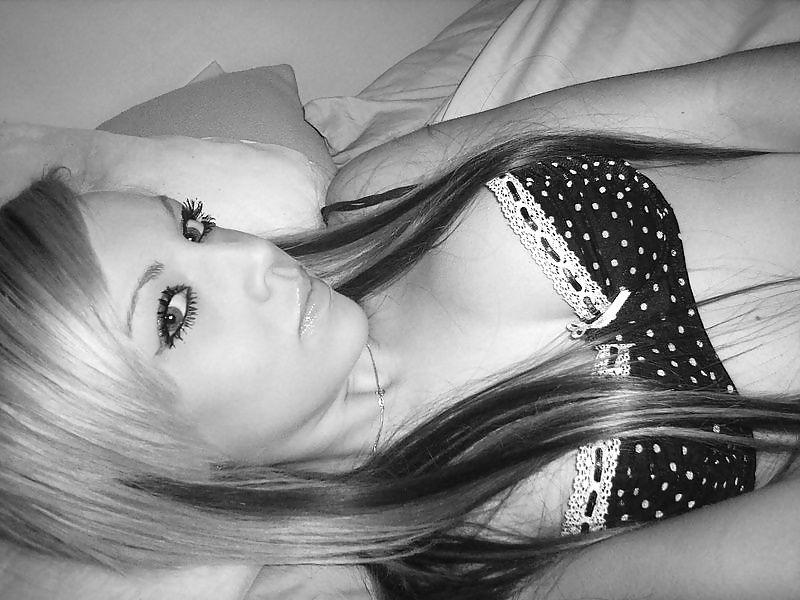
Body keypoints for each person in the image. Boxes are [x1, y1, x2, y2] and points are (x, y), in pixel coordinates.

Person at [1, 42, 799, 600]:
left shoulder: (385, 194)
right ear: (146, 465)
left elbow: (727, 107)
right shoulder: (454, 567)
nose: (251, 256)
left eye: (195, 225)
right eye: (175, 311)